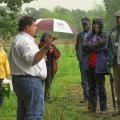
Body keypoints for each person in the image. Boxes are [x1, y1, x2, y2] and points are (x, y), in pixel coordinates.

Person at [9, 16, 53, 120]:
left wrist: (42, 56)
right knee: (34, 114)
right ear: (27, 27)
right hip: (30, 81)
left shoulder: (19, 39)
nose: (36, 28)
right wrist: (45, 48)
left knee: (23, 113)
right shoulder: (25, 41)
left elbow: (25, 60)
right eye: (34, 25)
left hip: (21, 80)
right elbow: (31, 60)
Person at [83, 18, 109, 113]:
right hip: (90, 65)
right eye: (94, 24)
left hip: (99, 65)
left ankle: (103, 108)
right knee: (91, 87)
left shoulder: (105, 35)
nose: (95, 26)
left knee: (101, 87)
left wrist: (90, 46)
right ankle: (93, 108)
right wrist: (94, 46)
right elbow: (84, 47)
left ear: (100, 25)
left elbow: (102, 46)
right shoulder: (90, 36)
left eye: (97, 24)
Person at [38, 33, 60, 100]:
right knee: (41, 83)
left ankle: (47, 96)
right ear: (44, 38)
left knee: (49, 82)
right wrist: (46, 49)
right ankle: (40, 97)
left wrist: (52, 51)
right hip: (42, 67)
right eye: (48, 38)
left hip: (51, 67)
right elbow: (38, 53)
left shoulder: (52, 45)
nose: (50, 39)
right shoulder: (40, 45)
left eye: (50, 38)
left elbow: (58, 55)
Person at [75, 17, 91, 101]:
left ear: (89, 24)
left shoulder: (93, 33)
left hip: (91, 60)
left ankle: (93, 96)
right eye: (83, 24)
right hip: (82, 60)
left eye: (86, 24)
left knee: (92, 78)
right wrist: (79, 56)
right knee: (84, 79)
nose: (84, 26)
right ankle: (86, 97)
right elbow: (77, 47)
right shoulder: (79, 35)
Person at [108, 10, 120, 115]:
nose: (119, 20)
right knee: (117, 85)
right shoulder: (112, 31)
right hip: (116, 63)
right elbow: (110, 47)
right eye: (117, 18)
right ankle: (119, 108)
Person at [0, 40, 10, 107]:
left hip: (2, 76)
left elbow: (6, 65)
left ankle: (0, 105)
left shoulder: (3, 53)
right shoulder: (3, 53)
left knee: (2, 92)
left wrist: (8, 75)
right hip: (2, 75)